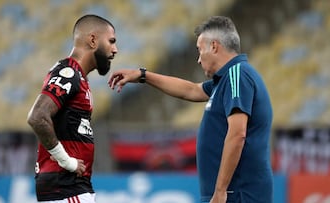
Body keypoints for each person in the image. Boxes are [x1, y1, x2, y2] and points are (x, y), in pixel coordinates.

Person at [108, 16, 273, 203]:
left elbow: (237, 134)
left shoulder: (237, 75)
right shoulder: (225, 80)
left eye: (200, 50)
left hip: (237, 194)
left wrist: (220, 190)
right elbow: (191, 90)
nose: (198, 59)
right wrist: (143, 75)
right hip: (229, 194)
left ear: (214, 46)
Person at [27, 14, 118, 202]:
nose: (115, 50)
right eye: (111, 41)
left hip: (69, 187)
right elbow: (37, 117)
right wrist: (66, 161)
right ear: (93, 40)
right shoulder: (68, 73)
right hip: (66, 187)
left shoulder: (78, 76)